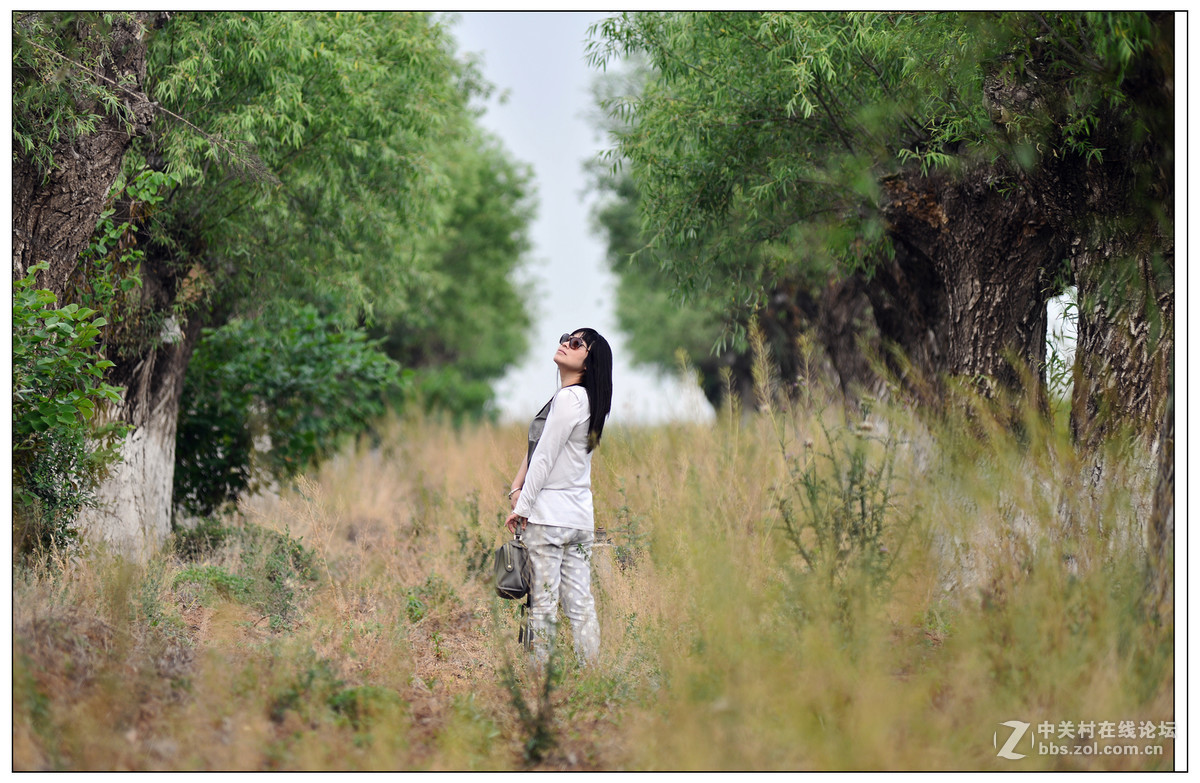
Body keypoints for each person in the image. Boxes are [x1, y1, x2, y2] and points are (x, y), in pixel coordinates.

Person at [504, 328, 613, 666]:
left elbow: (546, 457)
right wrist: (516, 486)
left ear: (588, 362)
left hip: (550, 518)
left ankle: (540, 679)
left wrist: (523, 507)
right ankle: (591, 674)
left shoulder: (569, 399)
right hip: (579, 519)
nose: (566, 343)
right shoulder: (585, 400)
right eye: (566, 337)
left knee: (543, 604)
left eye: (577, 343)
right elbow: (541, 449)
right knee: (580, 604)